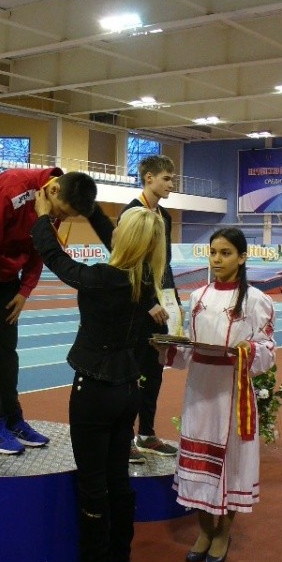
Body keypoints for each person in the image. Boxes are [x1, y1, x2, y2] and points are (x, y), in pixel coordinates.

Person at [32, 192, 167, 562]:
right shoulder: (145, 277)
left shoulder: (103, 279)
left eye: (120, 227)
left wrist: (42, 219)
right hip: (128, 391)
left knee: (93, 488)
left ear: (126, 238)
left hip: (94, 391)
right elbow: (115, 239)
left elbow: (57, 260)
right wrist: (87, 204)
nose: (114, 230)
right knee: (117, 480)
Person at [153, 227, 276, 562]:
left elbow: (268, 349)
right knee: (199, 466)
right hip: (199, 391)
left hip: (233, 394)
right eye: (213, 252)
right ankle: (205, 530)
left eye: (225, 253)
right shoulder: (197, 297)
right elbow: (188, 348)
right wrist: (167, 347)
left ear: (242, 257)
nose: (217, 259)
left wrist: (248, 350)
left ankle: (223, 533)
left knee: (230, 465)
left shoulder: (256, 300)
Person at [0, 167, 97, 456]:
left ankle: (13, 419)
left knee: (7, 352)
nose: (61, 218)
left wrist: (24, 290)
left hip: (9, 276)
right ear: (53, 189)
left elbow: (40, 247)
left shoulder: (51, 203)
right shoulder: (10, 189)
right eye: (62, 212)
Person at [120, 155, 184, 462]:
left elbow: (163, 264)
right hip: (137, 309)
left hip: (161, 307)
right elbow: (130, 264)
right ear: (149, 178)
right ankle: (124, 439)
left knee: (154, 372)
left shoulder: (165, 216)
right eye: (166, 178)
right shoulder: (130, 214)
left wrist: (174, 303)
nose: (171, 184)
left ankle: (146, 434)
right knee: (131, 375)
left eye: (172, 179)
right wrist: (149, 302)